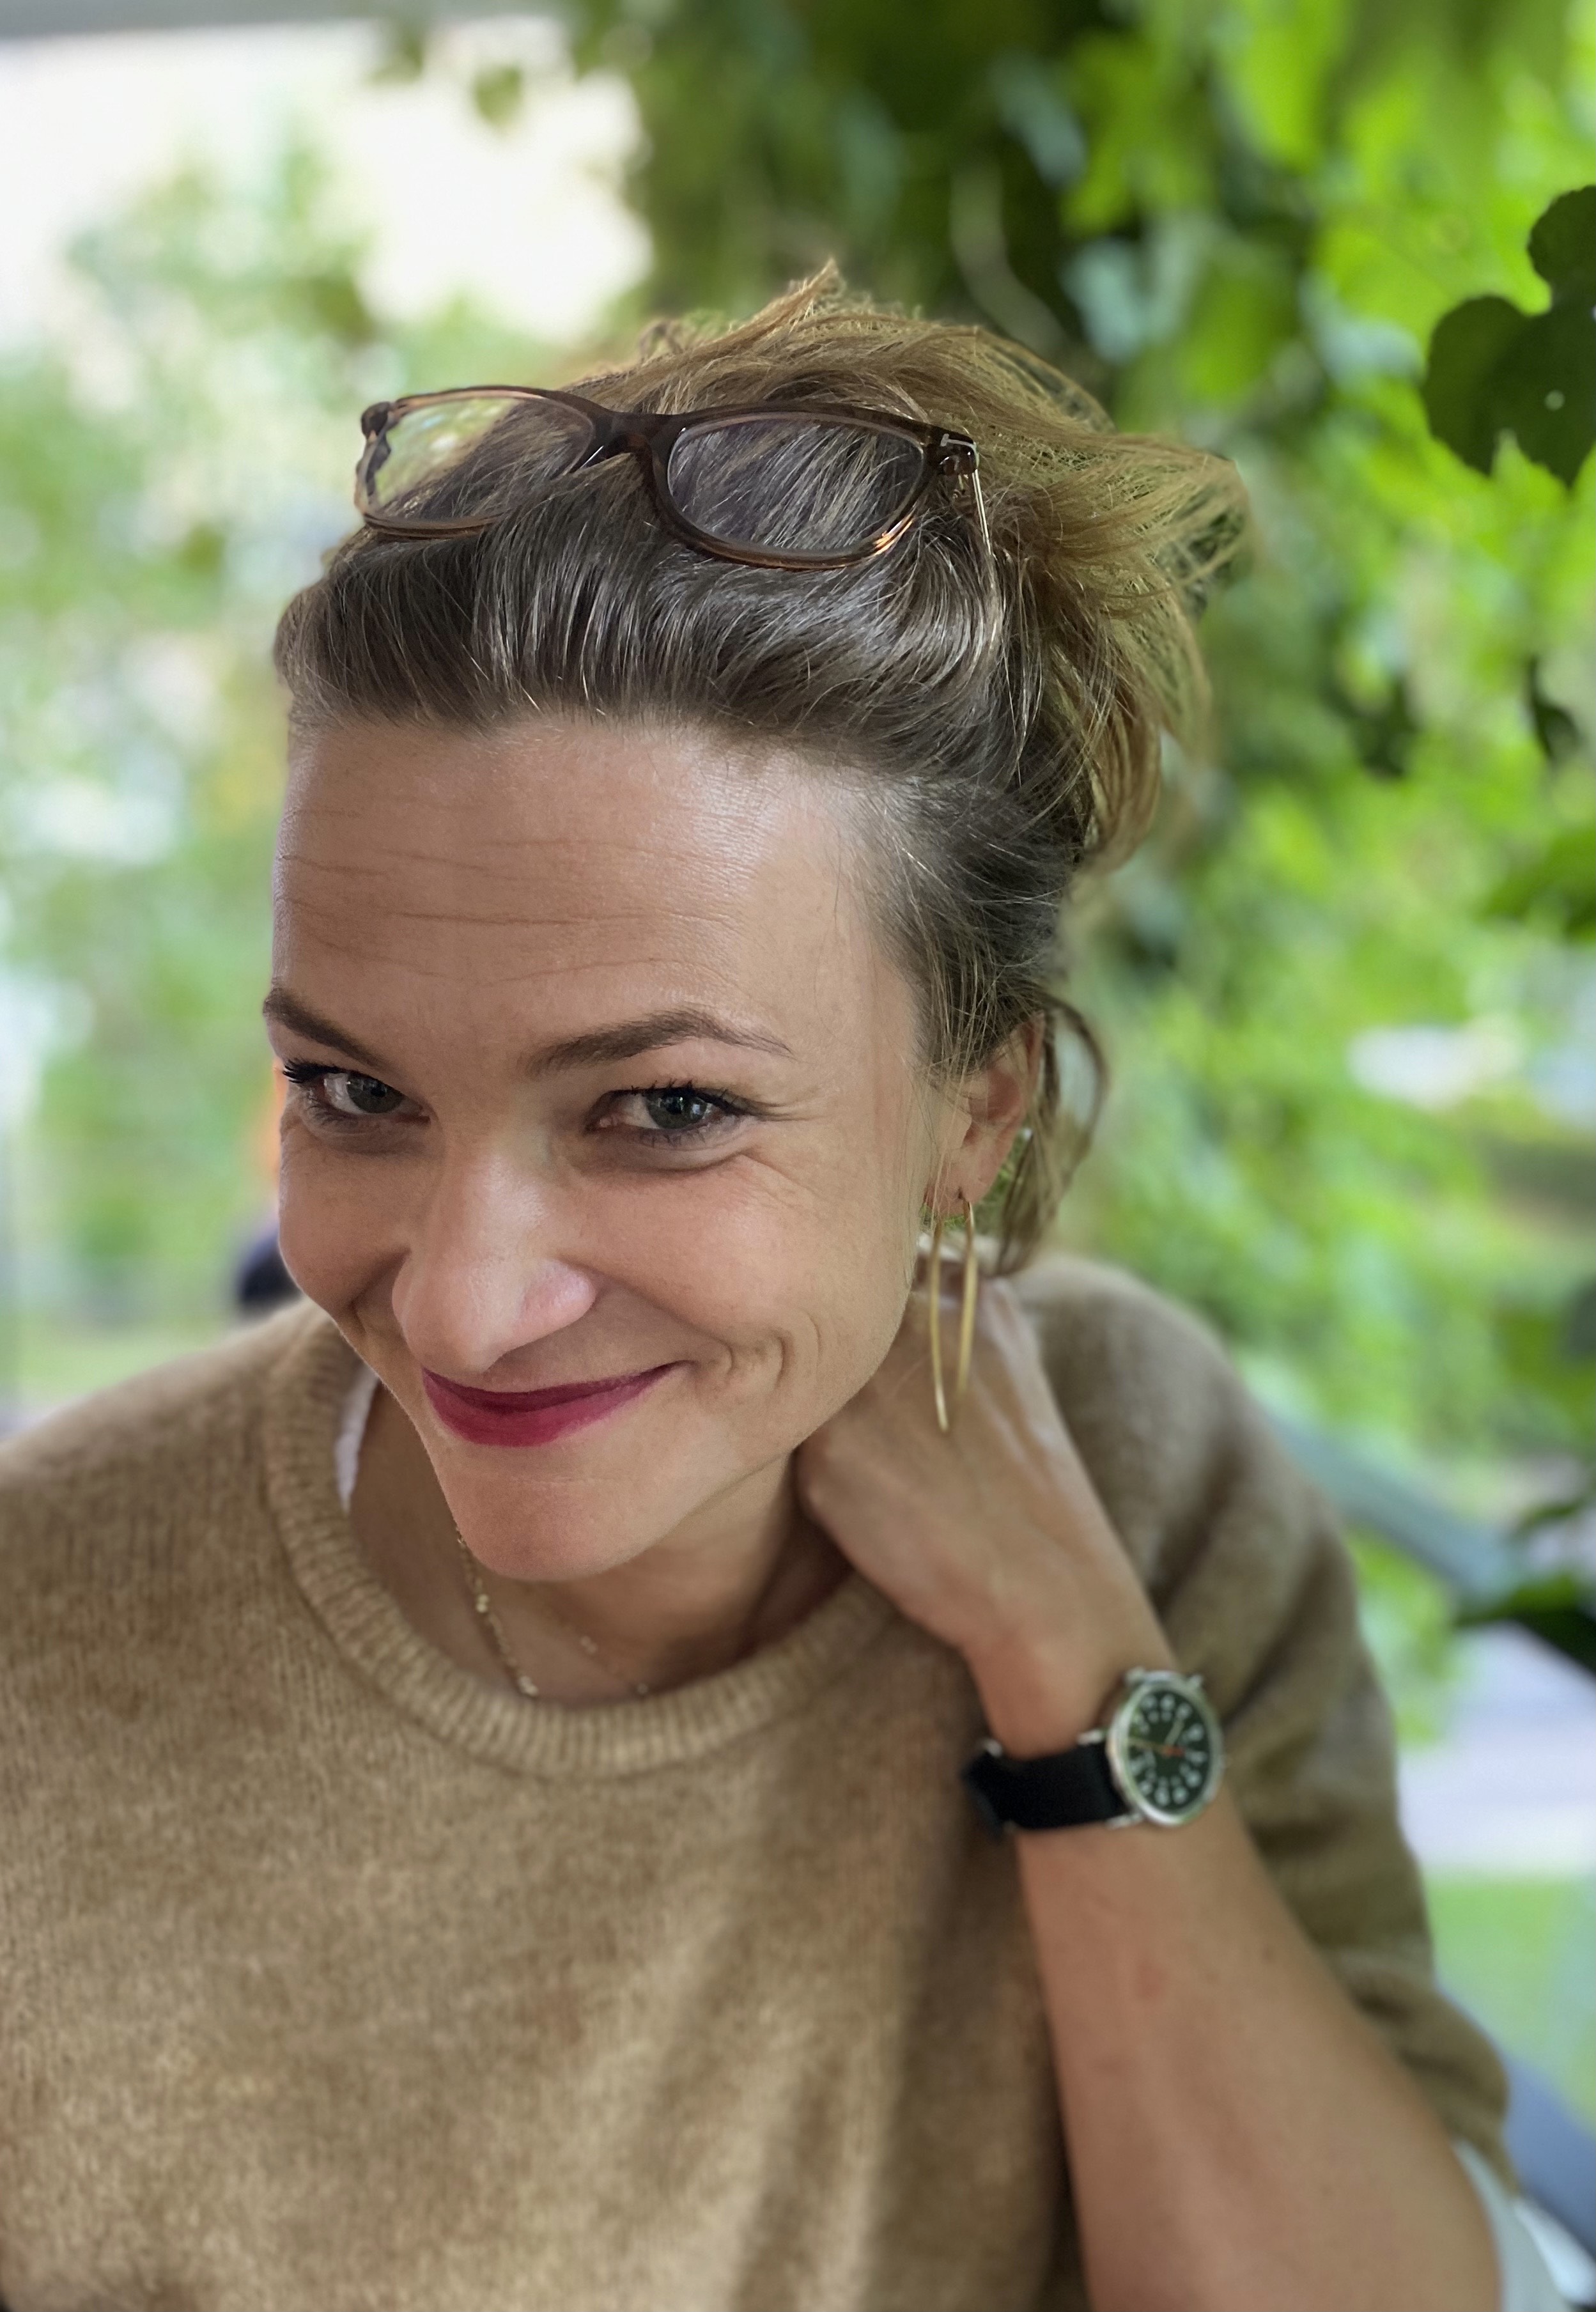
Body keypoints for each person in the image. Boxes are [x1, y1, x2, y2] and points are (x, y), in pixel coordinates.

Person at [0, 276, 1566, 2312]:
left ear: (974, 1110)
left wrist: (1068, 1652)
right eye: (354, 1091)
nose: (462, 1305)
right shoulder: (43, 1626)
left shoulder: (1146, 1473)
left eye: (662, 1108)